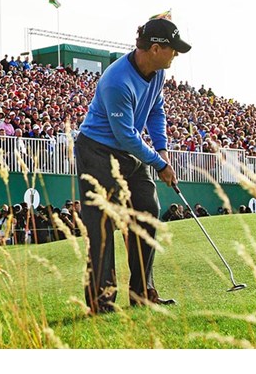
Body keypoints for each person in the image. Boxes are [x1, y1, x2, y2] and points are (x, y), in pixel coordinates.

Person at [74, 17, 191, 314]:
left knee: (147, 211)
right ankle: (101, 302)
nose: (175, 55)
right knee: (101, 226)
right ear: (155, 49)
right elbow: (125, 135)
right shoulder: (117, 81)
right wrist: (159, 163)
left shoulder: (158, 73)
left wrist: (162, 148)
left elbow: (156, 110)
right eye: (172, 50)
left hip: (130, 153)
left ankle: (142, 292)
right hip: (97, 152)